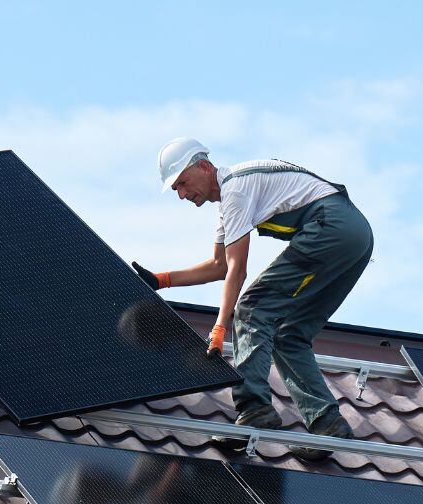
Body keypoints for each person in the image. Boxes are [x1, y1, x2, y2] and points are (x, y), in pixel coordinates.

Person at [137, 138, 371, 453]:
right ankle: (329, 425)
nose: (181, 194)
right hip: (355, 235)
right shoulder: (230, 202)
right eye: (176, 189)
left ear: (204, 167)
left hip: (331, 226)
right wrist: (162, 280)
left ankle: (255, 410)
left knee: (251, 308)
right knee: (289, 335)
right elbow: (219, 266)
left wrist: (220, 327)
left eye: (182, 183)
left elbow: (237, 271)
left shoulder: (235, 190)